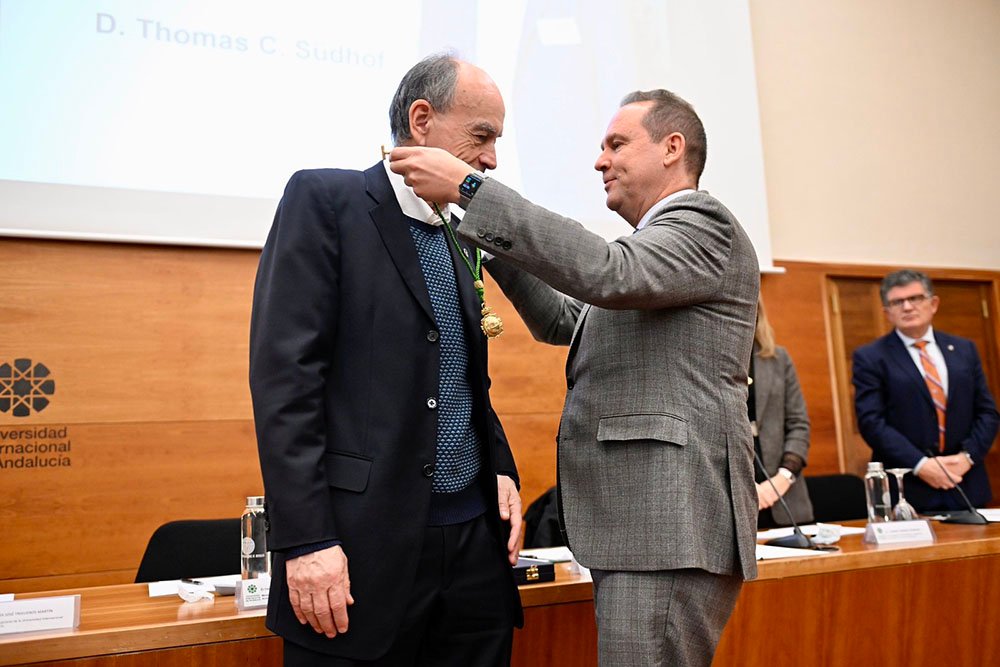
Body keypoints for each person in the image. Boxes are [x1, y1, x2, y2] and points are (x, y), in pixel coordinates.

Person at [391, 89, 759, 667]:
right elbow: (564, 317)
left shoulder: (700, 222)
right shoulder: (650, 253)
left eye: (616, 144)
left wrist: (471, 187)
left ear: (672, 148)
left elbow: (607, 273)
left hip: (669, 526)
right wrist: (475, 225)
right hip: (645, 528)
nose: (599, 161)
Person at [248, 54, 523, 666]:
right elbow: (285, 384)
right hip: (360, 552)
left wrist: (499, 468)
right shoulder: (326, 199)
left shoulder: (460, 231)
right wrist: (308, 540)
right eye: (482, 136)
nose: (492, 159)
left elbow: (460, 378)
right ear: (422, 119)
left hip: (475, 554)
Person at [852, 269, 998, 512]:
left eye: (915, 298)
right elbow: (871, 422)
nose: (907, 307)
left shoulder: (964, 350)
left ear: (933, 303)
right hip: (907, 490)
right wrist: (921, 465)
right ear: (887, 312)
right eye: (898, 302)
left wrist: (967, 458)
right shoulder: (871, 357)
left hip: (966, 484)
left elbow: (987, 412)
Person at [747, 295, 814, 528]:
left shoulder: (778, 358)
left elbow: (798, 424)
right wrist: (744, 486)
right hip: (731, 504)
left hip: (785, 498)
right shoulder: (707, 362)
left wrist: (783, 478)